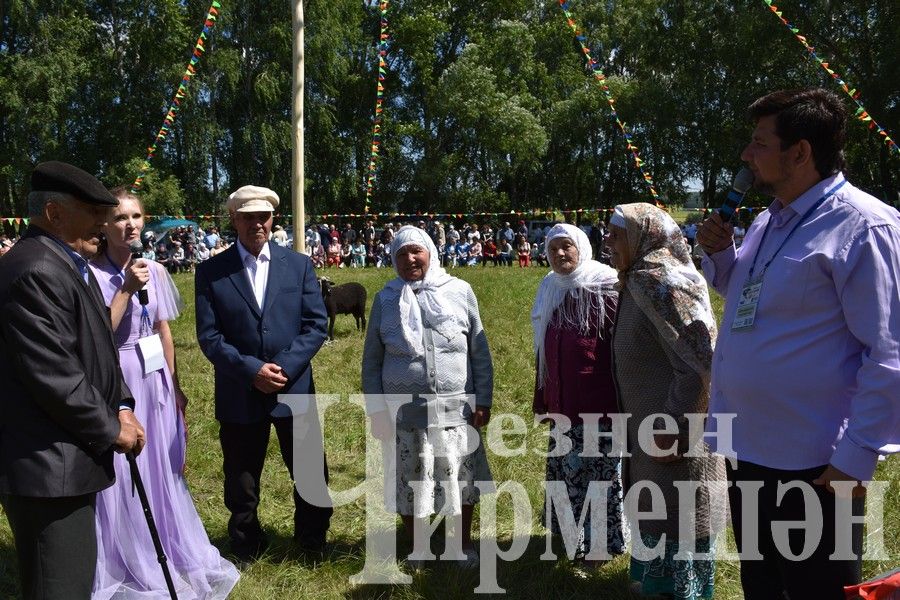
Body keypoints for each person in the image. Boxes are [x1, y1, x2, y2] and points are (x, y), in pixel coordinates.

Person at [696, 88, 900, 599]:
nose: (746, 155)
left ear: (800, 152)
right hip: (751, 450)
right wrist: (721, 257)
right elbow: (750, 298)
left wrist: (854, 459)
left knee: (816, 591)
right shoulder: (769, 219)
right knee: (763, 586)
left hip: (816, 467)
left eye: (758, 143)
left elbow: (890, 351)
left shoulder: (864, 226)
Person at [0, 161, 145, 599]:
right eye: (91, 211)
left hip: (66, 458)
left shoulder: (63, 261)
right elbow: (54, 375)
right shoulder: (35, 269)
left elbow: (97, 341)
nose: (103, 223)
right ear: (54, 212)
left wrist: (121, 403)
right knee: (58, 586)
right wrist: (110, 428)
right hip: (47, 468)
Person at [89, 188, 239, 599]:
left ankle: (171, 546)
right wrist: (123, 289)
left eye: (136, 216)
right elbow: (95, 334)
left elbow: (162, 330)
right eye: (120, 218)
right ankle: (128, 554)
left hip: (154, 379)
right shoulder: (92, 274)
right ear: (104, 224)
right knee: (125, 472)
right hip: (117, 378)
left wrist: (175, 386)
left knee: (162, 464)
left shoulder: (154, 270)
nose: (130, 225)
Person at [195, 185, 333, 561]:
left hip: (294, 388)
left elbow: (315, 325)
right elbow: (209, 336)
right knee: (241, 478)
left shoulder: (299, 265)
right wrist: (252, 370)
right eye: (248, 217)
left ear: (273, 220)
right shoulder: (211, 271)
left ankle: (312, 541)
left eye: (264, 217)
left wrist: (284, 367)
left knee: (308, 472)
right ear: (234, 220)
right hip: (240, 391)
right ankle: (246, 542)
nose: (257, 223)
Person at [607, 203, 725, 600]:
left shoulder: (665, 284)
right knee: (655, 515)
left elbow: (697, 367)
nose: (607, 241)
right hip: (649, 433)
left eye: (615, 234)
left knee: (679, 518)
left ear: (644, 236)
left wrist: (674, 428)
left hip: (675, 439)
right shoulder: (638, 280)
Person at [362, 225, 493, 568]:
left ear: (430, 253)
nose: (409, 259)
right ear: (393, 259)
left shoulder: (460, 291)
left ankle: (462, 546)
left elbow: (479, 350)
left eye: (416, 251)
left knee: (461, 479)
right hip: (403, 414)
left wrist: (484, 399)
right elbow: (372, 361)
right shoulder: (386, 299)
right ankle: (419, 547)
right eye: (401, 253)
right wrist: (376, 410)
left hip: (456, 411)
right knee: (409, 482)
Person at [531, 224, 627, 571]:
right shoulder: (550, 288)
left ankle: (599, 549)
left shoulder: (607, 287)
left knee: (599, 479)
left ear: (582, 248)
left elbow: (623, 349)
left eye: (566, 246)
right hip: (562, 405)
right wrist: (542, 397)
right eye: (553, 248)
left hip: (599, 407)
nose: (559, 254)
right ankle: (574, 538)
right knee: (568, 474)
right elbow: (542, 350)